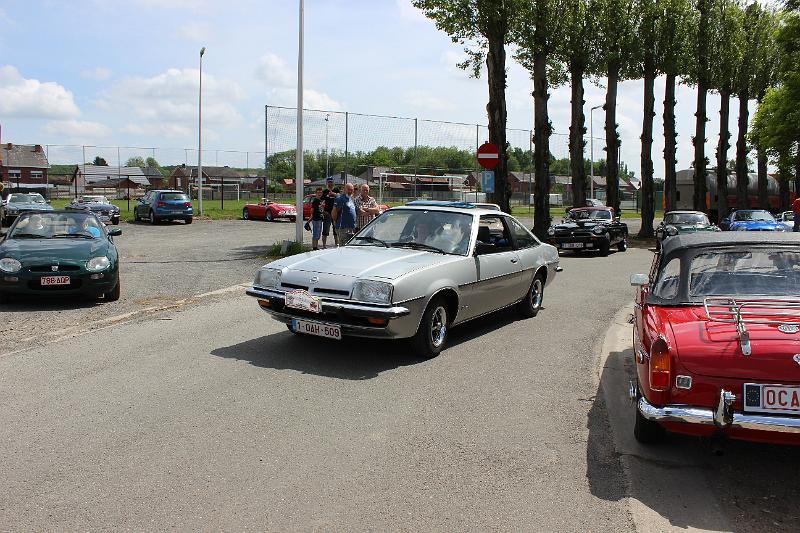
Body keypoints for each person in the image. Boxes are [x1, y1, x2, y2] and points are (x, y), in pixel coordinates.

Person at [320, 177, 337, 248]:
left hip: (335, 212)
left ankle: (337, 244)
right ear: (327, 183)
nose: (330, 183)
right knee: (325, 229)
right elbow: (320, 202)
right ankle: (324, 245)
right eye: (329, 182)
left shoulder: (336, 190)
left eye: (331, 182)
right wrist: (323, 211)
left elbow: (340, 197)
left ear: (333, 182)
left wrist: (333, 194)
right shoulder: (325, 191)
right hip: (327, 213)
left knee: (336, 229)